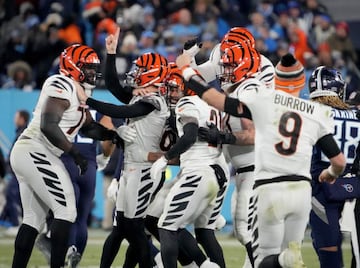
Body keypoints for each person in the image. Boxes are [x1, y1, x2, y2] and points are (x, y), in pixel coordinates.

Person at [175, 50, 346, 267]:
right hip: (302, 191)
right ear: (301, 83)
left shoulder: (263, 101)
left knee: (265, 256)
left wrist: (187, 71)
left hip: (270, 187)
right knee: (289, 250)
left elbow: (215, 99)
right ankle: (286, 258)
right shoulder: (315, 113)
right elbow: (339, 161)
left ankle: (283, 260)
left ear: (277, 80)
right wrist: (330, 173)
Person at [9, 43, 123, 268]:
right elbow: (48, 125)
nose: (93, 72)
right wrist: (75, 153)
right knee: (67, 210)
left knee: (33, 220)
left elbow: (89, 127)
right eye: (88, 68)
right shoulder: (60, 83)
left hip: (36, 153)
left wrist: (112, 135)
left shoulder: (79, 90)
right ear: (73, 66)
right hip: (36, 149)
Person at [77, 27, 169, 268]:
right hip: (129, 169)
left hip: (144, 170)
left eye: (141, 70)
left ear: (153, 75)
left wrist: (88, 101)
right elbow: (114, 87)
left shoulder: (156, 100)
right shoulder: (141, 96)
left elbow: (123, 111)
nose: (135, 73)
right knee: (121, 229)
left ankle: (155, 262)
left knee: (134, 227)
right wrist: (111, 53)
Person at [149, 62, 230, 267]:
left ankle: (200, 264)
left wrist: (165, 158)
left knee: (167, 226)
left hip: (198, 173)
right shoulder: (213, 105)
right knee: (205, 232)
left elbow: (191, 134)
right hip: (217, 171)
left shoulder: (188, 103)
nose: (172, 92)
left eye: (175, 87)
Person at [308, 66, 360, 268]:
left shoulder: (310, 113)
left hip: (321, 185)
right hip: (353, 187)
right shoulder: (356, 114)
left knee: (329, 253)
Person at [0, 110, 30, 234]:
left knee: (12, 195)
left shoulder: (23, 133)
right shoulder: (20, 132)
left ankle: (17, 224)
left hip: (19, 172)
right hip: (17, 171)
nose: (14, 119)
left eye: (16, 117)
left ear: (22, 119)